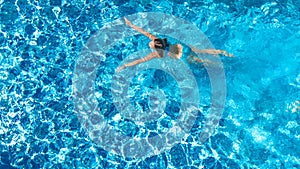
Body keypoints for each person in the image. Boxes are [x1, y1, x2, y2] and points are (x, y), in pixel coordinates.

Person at [117, 18, 233, 73]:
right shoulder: (158, 39)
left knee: (202, 62)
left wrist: (125, 65)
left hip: (183, 57)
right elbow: (144, 32)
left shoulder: (158, 54)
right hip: (186, 48)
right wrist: (130, 24)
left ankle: (222, 66)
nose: (150, 43)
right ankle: (224, 53)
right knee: (205, 51)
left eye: (151, 44)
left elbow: (140, 60)